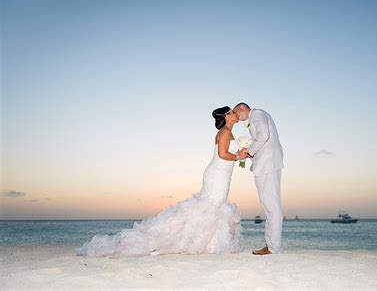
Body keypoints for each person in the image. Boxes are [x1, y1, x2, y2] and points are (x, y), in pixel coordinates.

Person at [76, 106, 248, 257]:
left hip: (222, 174)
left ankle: (212, 243)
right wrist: (238, 155)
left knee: (216, 205)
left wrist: (242, 154)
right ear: (226, 116)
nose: (234, 112)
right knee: (212, 204)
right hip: (217, 174)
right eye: (232, 111)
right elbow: (222, 154)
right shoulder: (225, 132)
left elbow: (229, 154)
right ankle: (204, 244)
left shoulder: (230, 132)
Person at [233, 102, 284, 255]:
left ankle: (273, 248)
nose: (237, 118)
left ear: (241, 108)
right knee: (270, 205)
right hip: (267, 163)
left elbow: (263, 135)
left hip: (267, 164)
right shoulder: (256, 116)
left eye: (236, 113)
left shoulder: (257, 114)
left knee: (271, 206)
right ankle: (271, 245)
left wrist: (249, 151)